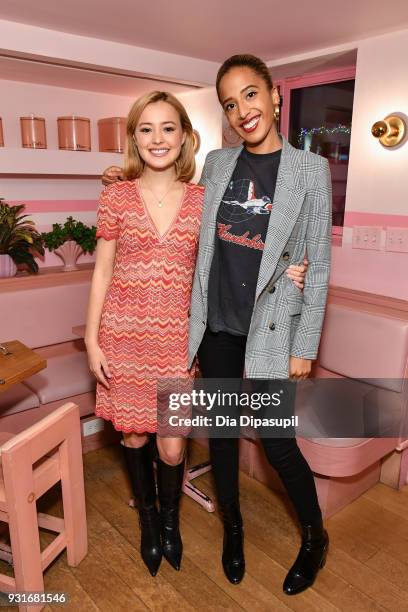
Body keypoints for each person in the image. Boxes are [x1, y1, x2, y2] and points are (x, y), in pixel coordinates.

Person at [99, 64, 312, 588]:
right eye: (146, 128)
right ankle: (183, 525)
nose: (158, 137)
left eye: (168, 127)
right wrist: (87, 339)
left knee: (225, 441)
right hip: (163, 332)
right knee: (172, 436)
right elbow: (111, 261)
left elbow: (277, 245)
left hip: (215, 332)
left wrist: (290, 271)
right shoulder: (186, 175)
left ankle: (303, 536)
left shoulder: (276, 176)